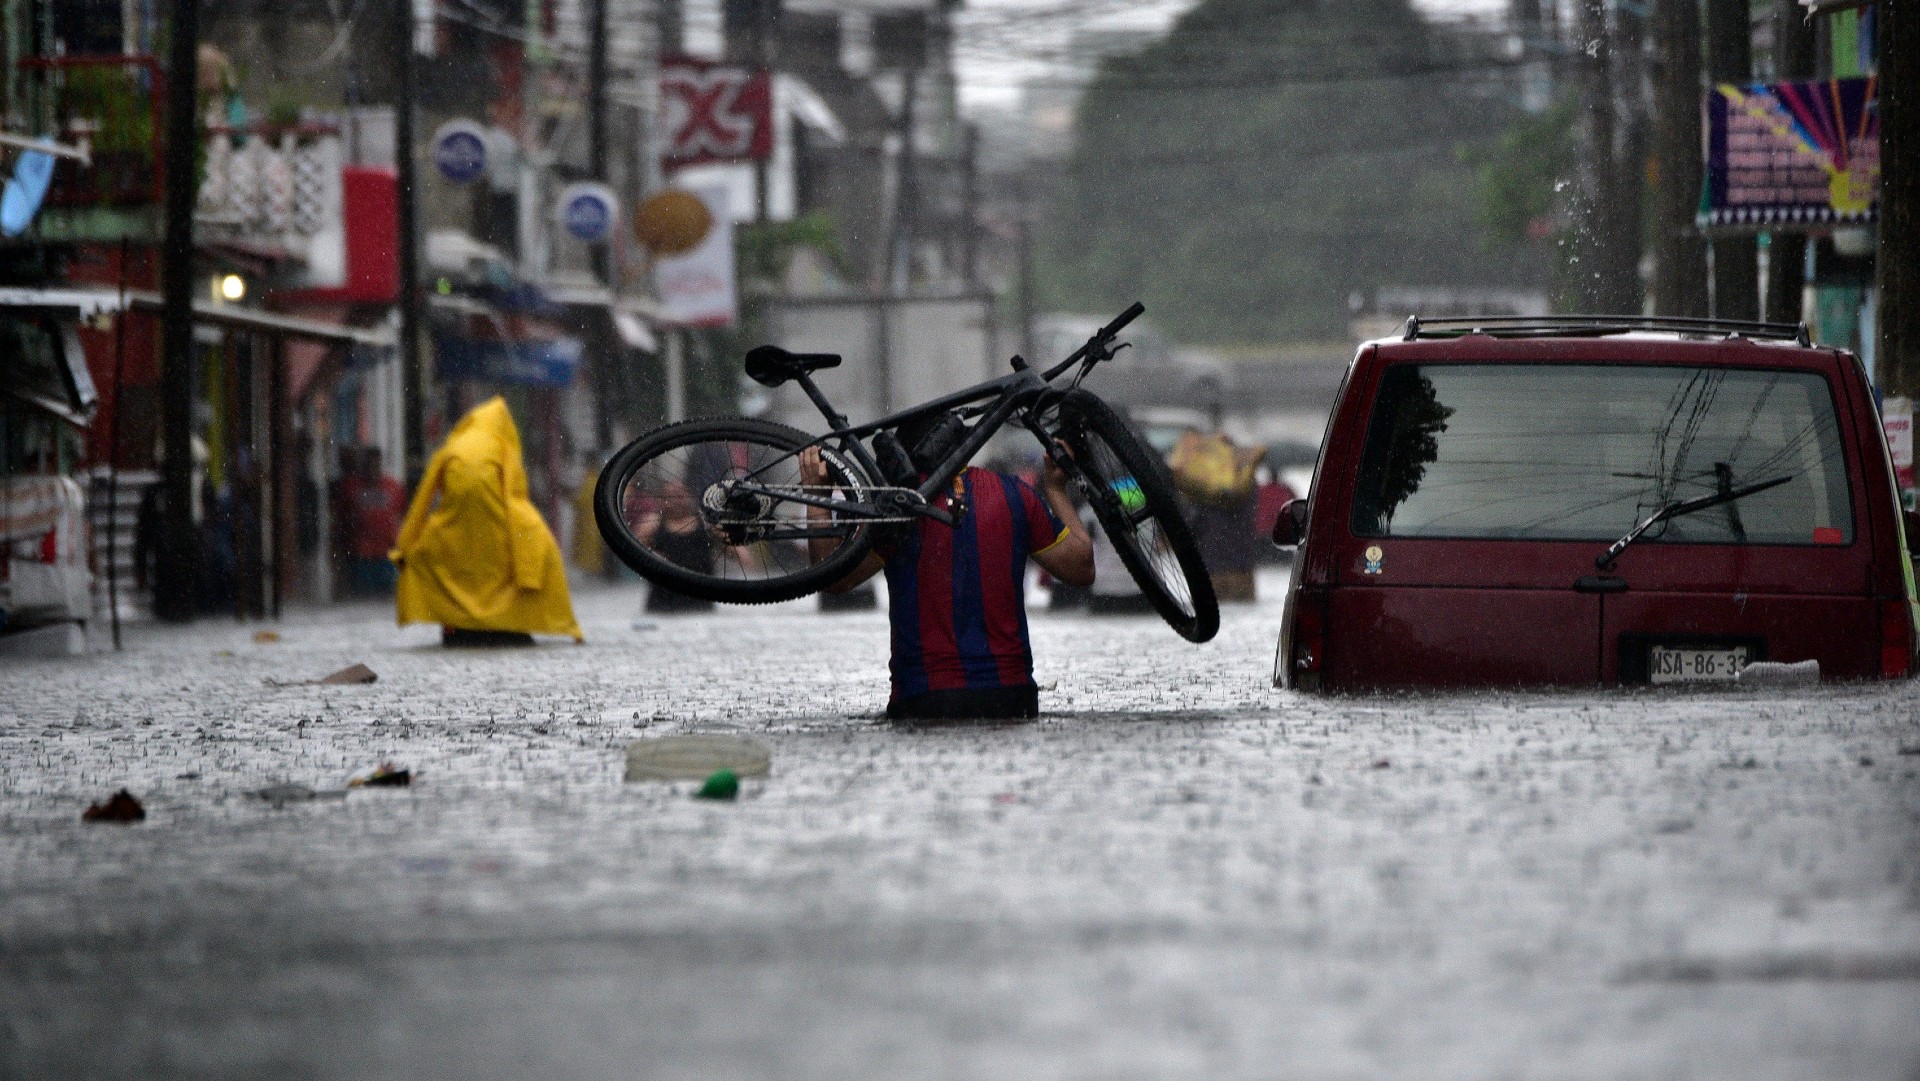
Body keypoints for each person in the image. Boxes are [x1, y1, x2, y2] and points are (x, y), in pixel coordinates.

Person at [798, 413, 1094, 721]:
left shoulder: (895, 509)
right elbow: (1082, 569)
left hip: (924, 697)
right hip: (1012, 695)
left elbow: (833, 579)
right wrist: (1057, 489)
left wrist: (817, 498)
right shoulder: (1015, 494)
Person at [391, 397, 583, 645]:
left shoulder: (452, 446)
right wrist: (528, 534)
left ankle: (457, 623)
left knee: (427, 562)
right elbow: (515, 496)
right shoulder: (501, 447)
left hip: (451, 529)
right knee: (542, 551)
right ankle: (512, 623)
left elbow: (422, 500)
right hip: (496, 529)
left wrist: (405, 548)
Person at [632, 480, 716, 613]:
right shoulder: (651, 525)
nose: (676, 501)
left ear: (690, 497)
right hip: (662, 603)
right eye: (670, 497)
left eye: (680, 496)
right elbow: (630, 551)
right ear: (661, 501)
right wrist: (650, 554)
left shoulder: (708, 525)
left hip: (700, 602)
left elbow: (742, 556)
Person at [341, 447, 407, 596]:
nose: (372, 468)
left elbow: (404, 515)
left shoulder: (393, 487)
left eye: (375, 463)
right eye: (368, 464)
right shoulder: (352, 487)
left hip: (387, 553)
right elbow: (342, 518)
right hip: (362, 554)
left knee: (387, 595)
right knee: (362, 596)